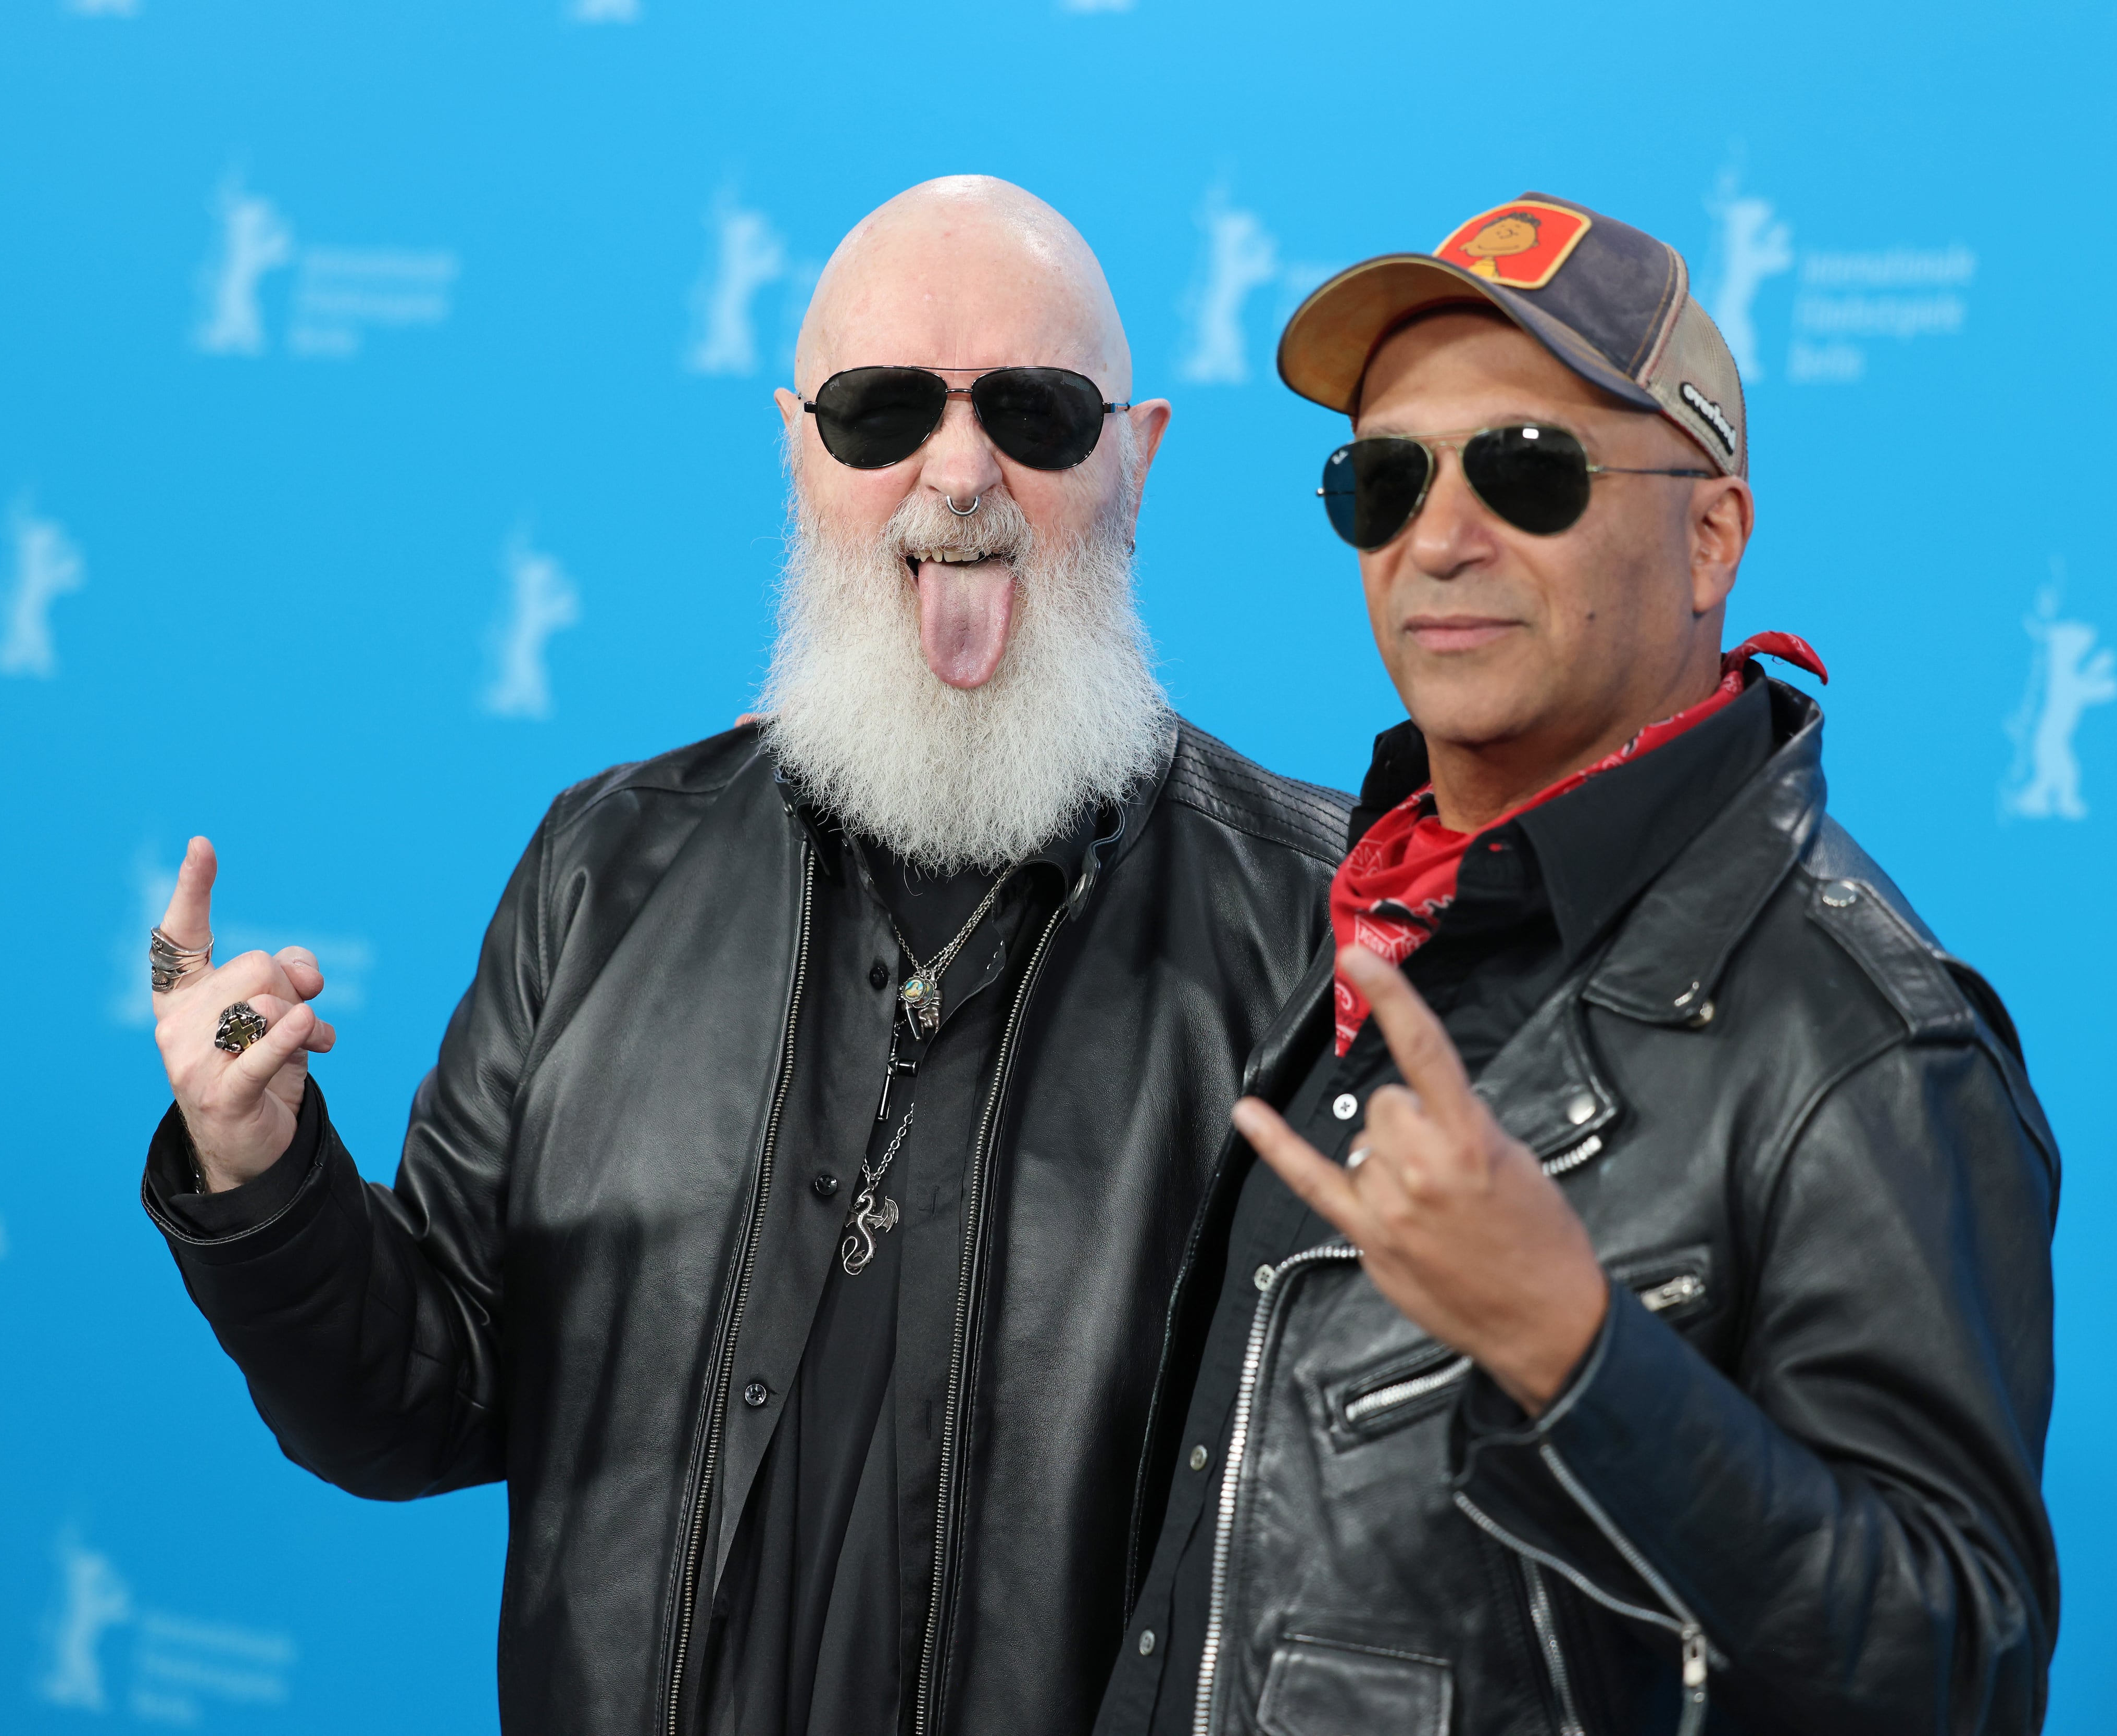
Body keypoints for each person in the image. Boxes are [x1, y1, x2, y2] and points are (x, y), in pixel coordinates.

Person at [136, 176, 1348, 1736]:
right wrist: (263, 1175)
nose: (959, 469)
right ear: (799, 448)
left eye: (1038, 414)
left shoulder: (1324, 932)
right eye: (883, 409)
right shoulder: (606, 866)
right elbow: (415, 1396)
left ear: (1139, 457)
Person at [1095, 193, 2060, 1736]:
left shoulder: (1864, 1039)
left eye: (1530, 473)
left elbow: (1959, 1666)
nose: (1443, 537)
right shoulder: (1380, 909)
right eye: (1385, 480)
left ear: (1712, 535)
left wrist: (1578, 1351)